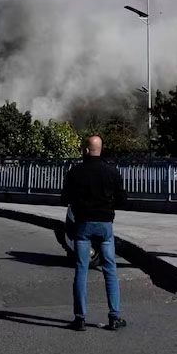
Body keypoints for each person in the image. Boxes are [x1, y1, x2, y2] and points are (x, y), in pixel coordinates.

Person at [60, 135, 127, 332]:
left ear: (86, 150)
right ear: (100, 149)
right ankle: (114, 316)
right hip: (105, 225)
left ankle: (80, 318)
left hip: (83, 226)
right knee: (110, 269)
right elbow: (123, 200)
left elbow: (65, 199)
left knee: (81, 269)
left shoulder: (75, 172)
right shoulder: (111, 171)